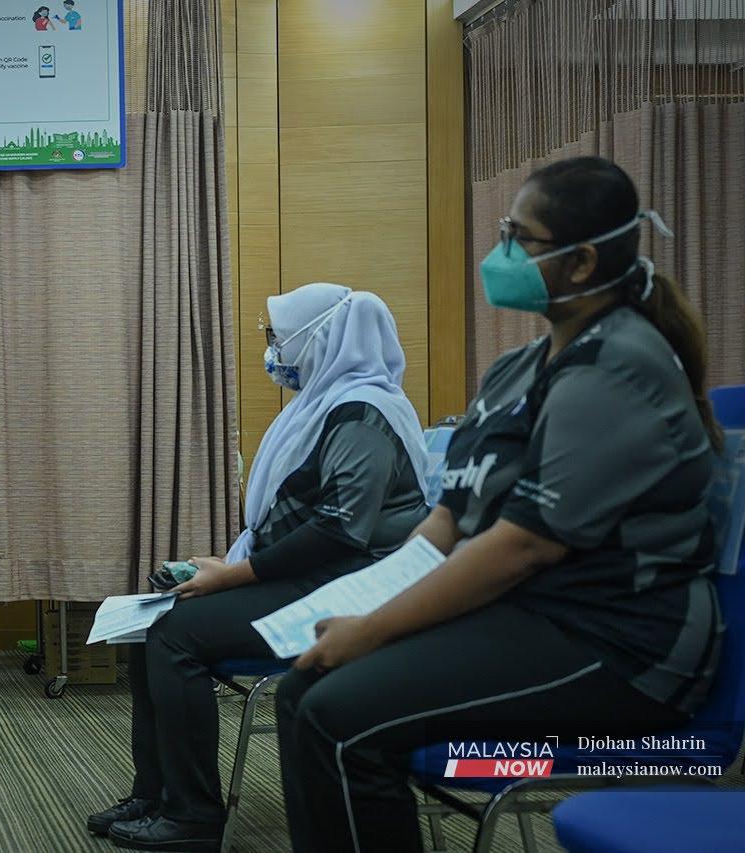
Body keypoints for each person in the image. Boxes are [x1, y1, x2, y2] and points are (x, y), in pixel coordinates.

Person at [274, 157, 724, 853]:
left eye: (520, 236)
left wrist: (375, 630)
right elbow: (448, 522)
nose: (501, 251)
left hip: (620, 643)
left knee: (338, 718)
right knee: (302, 689)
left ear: (580, 263)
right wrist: (363, 604)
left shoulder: (618, 366)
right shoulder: (517, 369)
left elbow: (523, 546)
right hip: (531, 615)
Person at [94, 283, 431, 852]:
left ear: (320, 339)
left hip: (353, 587)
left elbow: (338, 530)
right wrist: (228, 564)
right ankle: (155, 793)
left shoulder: (363, 413)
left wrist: (231, 576)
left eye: (279, 336)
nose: (273, 349)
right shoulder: (323, 404)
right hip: (319, 574)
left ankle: (193, 816)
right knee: (151, 622)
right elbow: (297, 520)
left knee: (175, 633)